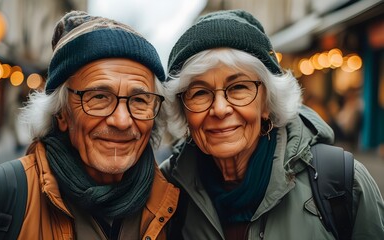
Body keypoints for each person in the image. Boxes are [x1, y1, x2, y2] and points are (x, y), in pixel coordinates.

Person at [160, 9, 384, 239]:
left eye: (238, 87)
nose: (219, 109)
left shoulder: (343, 183)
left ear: (267, 103)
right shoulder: (164, 190)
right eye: (199, 92)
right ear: (182, 110)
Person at [0, 11, 179, 239]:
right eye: (99, 97)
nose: (122, 121)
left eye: (139, 100)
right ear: (61, 113)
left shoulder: (175, 203)